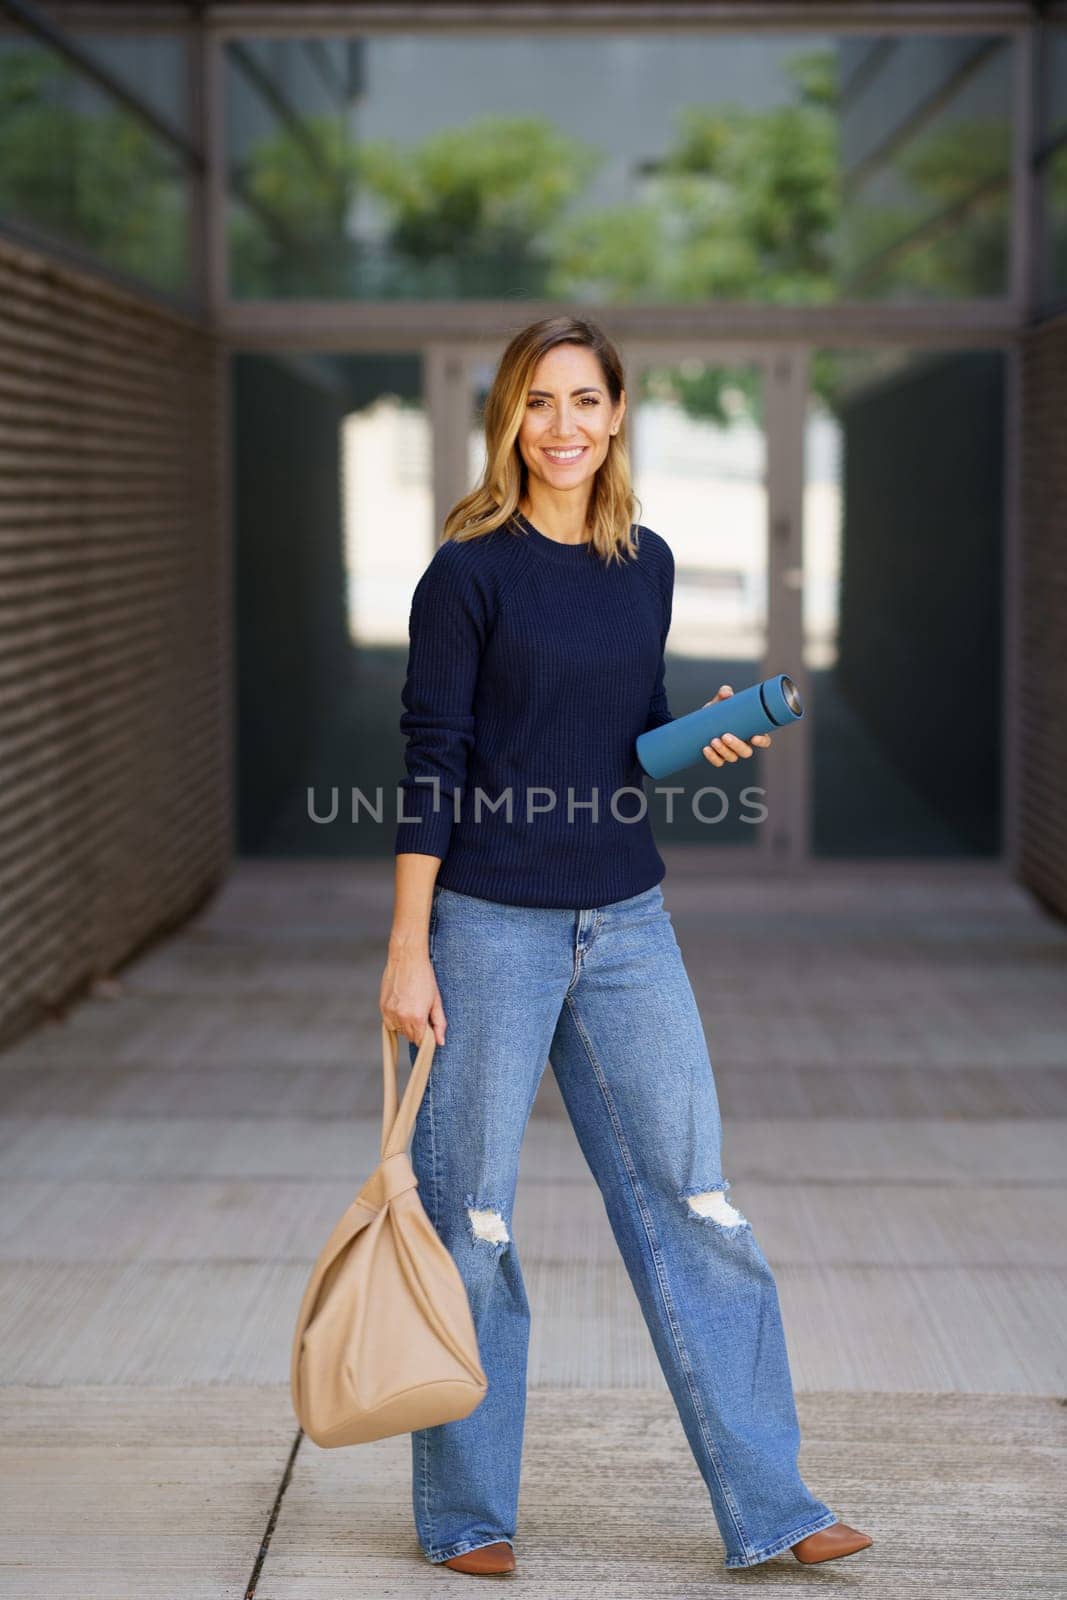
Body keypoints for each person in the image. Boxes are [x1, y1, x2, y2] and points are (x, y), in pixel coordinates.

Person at [379, 313, 873, 1575]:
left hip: (628, 923)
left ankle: (775, 1504)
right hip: (488, 925)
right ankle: (466, 1513)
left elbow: (625, 729)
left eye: (585, 401)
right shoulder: (466, 572)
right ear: (507, 417)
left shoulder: (641, 560)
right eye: (537, 403)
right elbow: (431, 762)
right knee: (472, 1220)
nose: (562, 427)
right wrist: (406, 943)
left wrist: (695, 733)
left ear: (615, 415)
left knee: (697, 1203)